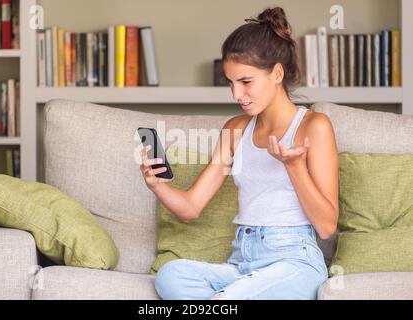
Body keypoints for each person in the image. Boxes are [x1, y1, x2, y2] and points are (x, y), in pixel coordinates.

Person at [139, 7, 338, 300]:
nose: (236, 94)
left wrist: (294, 167)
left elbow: (326, 226)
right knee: (171, 275)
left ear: (277, 73)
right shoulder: (235, 129)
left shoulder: (313, 126)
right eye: (231, 83)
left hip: (295, 261)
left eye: (245, 82)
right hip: (243, 263)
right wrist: (158, 185)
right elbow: (190, 208)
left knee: (227, 300)